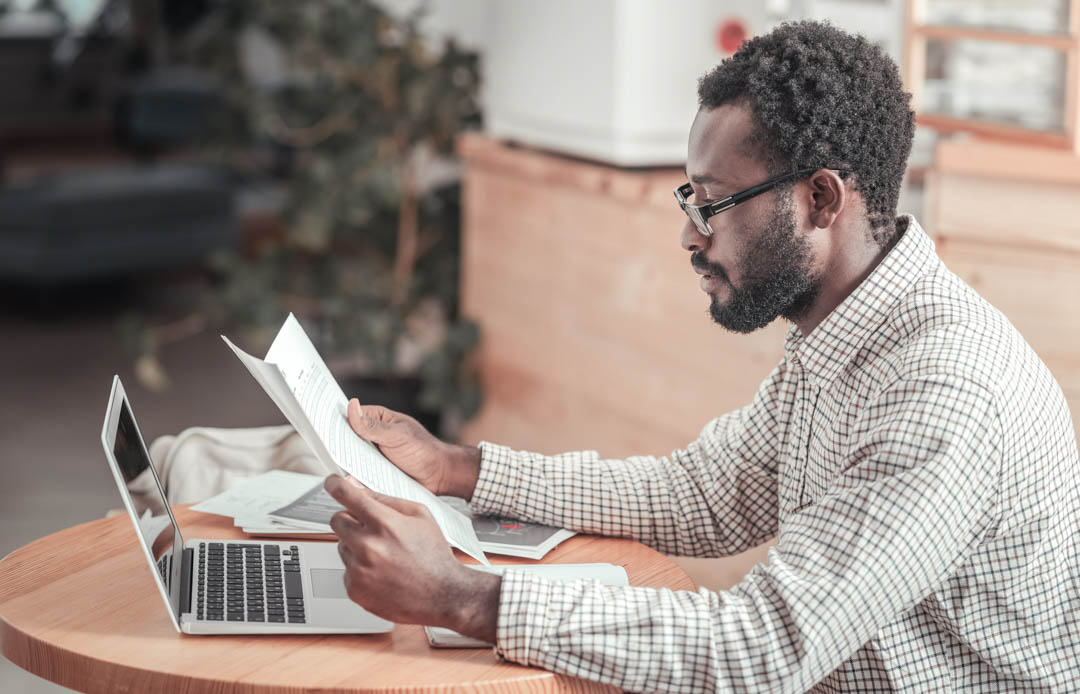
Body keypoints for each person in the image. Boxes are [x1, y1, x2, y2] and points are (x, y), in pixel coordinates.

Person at [322, 20, 1080, 693]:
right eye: (691, 201)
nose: (691, 236)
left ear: (820, 199)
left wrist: (460, 597)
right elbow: (704, 497)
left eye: (712, 204)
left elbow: (762, 651)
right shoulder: (844, 331)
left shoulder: (944, 391)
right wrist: (457, 468)